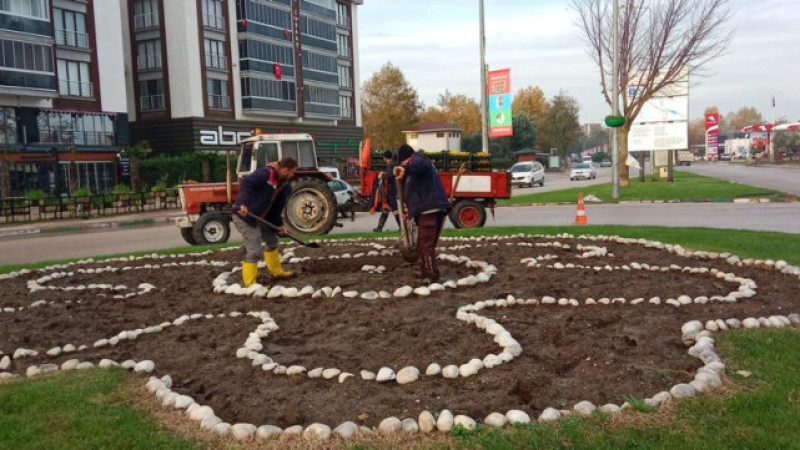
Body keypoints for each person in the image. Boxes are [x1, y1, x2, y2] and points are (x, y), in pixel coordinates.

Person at [232, 156, 297, 287]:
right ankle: (250, 284)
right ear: (284, 169)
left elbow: (275, 209)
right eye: (291, 172)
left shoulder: (285, 187)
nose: (292, 175)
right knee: (255, 250)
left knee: (272, 242)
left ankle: (276, 271)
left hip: (261, 217)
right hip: (244, 215)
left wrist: (279, 226)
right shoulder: (266, 173)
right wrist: (243, 203)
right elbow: (246, 182)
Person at [393, 144, 450, 283]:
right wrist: (407, 209)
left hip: (430, 208)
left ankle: (432, 275)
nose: (404, 165)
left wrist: (405, 168)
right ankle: (425, 272)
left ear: (408, 158)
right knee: (422, 244)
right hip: (425, 209)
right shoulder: (411, 172)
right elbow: (409, 192)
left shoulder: (419, 160)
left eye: (404, 163)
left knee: (426, 245)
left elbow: (418, 168)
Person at [371, 150, 401, 232]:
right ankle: (379, 227)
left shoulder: (389, 164)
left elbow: (390, 175)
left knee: (394, 209)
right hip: (394, 188)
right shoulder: (395, 163)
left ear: (385, 158)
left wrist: (382, 175)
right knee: (386, 208)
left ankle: (401, 227)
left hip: (390, 189)